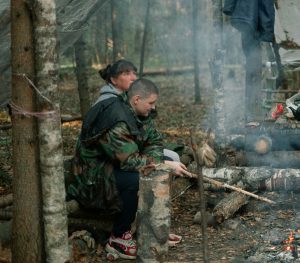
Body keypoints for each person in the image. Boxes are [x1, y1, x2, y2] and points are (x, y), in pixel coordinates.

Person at [65, 78, 187, 260]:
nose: (153, 107)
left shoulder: (139, 113)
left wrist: (161, 162)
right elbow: (129, 161)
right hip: (91, 177)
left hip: (113, 165)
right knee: (137, 179)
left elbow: (154, 142)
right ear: (137, 99)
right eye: (151, 103)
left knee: (163, 164)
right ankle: (118, 237)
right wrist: (164, 165)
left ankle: (152, 228)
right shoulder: (117, 120)